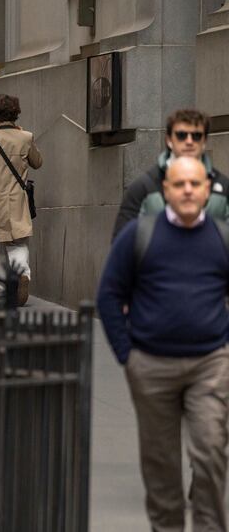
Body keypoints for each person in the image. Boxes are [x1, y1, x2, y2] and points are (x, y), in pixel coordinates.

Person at [97, 157, 229, 532]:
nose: (188, 190)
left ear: (207, 191)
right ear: (166, 191)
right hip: (151, 366)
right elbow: (109, 294)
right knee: (162, 466)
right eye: (179, 184)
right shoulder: (138, 235)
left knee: (210, 454)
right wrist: (128, 355)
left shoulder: (222, 238)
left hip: (210, 365)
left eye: (195, 184)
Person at [112, 108, 229, 239]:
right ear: (169, 140)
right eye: (181, 135)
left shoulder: (223, 186)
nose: (189, 141)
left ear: (204, 141)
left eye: (196, 136)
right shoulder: (143, 187)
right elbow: (122, 244)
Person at [0, 94, 42, 305]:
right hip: (18, 202)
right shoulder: (26, 137)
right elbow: (37, 162)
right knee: (19, 244)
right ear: (16, 114)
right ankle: (22, 272)